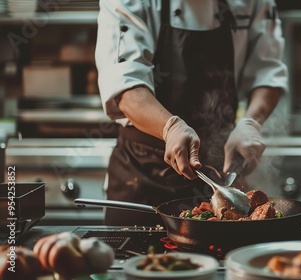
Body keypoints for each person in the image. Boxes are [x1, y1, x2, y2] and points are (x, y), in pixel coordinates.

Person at [95, 0, 288, 226]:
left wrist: (250, 123)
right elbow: (126, 86)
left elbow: (268, 73)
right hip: (141, 177)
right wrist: (171, 127)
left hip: (220, 169)